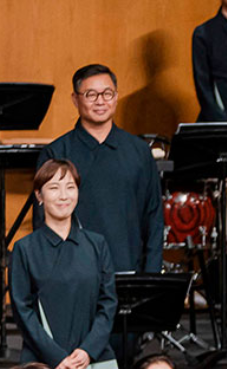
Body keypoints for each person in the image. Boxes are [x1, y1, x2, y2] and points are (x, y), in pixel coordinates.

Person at [35, 64, 163, 274]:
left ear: (116, 97)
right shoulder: (56, 153)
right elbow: (43, 222)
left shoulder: (139, 151)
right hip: (74, 276)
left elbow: (154, 217)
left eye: (107, 93)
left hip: (130, 272)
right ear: (75, 100)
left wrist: (151, 274)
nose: (100, 101)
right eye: (91, 94)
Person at [11, 159, 118, 369]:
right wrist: (56, 356)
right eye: (53, 188)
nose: (63, 196)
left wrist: (88, 350)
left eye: (70, 187)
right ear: (39, 196)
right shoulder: (25, 248)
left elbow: (108, 303)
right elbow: (22, 311)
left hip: (93, 359)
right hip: (43, 361)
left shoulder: (97, 244)